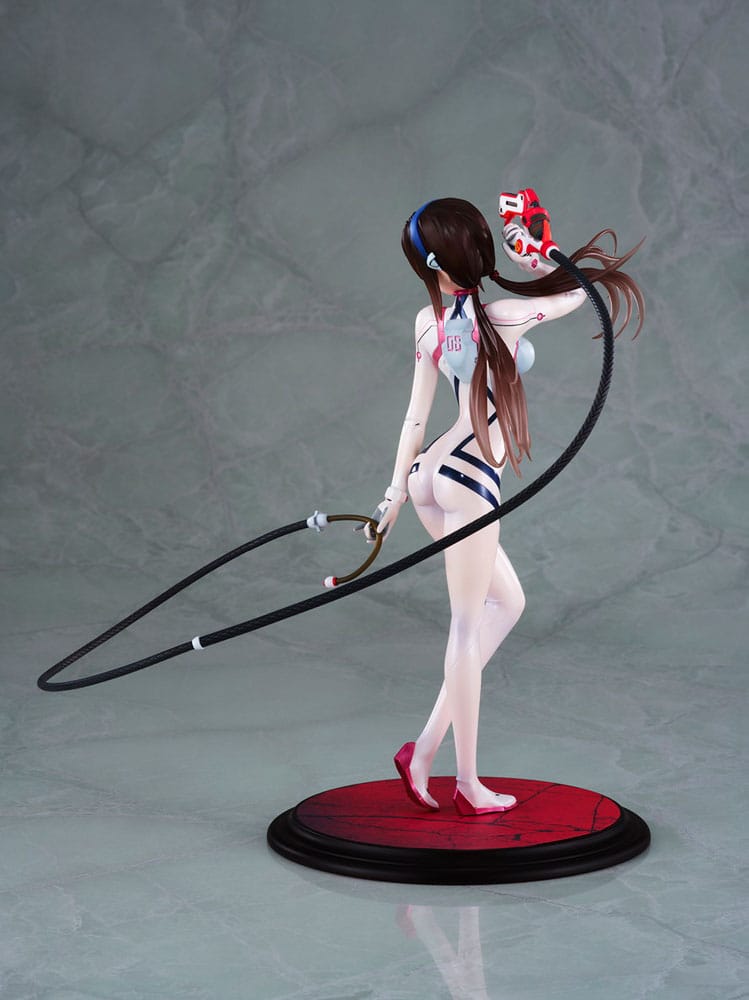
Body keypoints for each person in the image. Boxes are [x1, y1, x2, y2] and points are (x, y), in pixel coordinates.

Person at [373, 196, 643, 815]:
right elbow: (580, 295)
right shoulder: (508, 315)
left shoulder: (427, 323)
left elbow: (415, 419)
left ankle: (423, 751)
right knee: (467, 627)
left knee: (508, 604)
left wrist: (394, 494)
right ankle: (467, 784)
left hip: (429, 472)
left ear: (428, 264)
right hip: (468, 479)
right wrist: (539, 248)